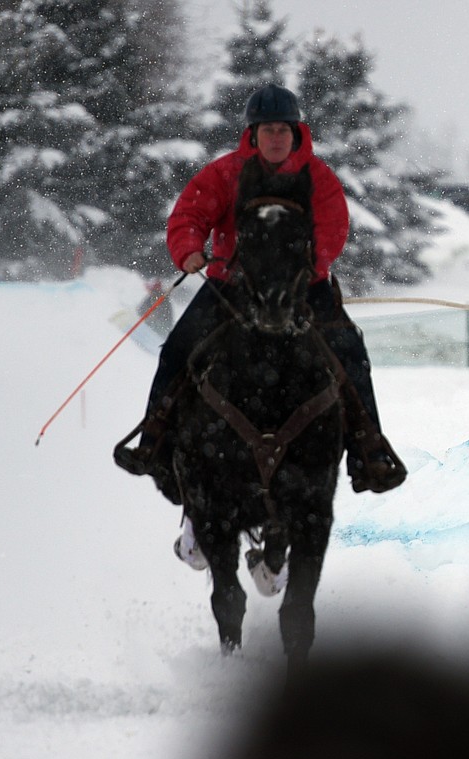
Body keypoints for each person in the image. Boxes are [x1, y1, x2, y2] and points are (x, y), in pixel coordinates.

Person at [114, 84, 405, 500]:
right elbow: (189, 214)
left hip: (303, 288)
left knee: (349, 352)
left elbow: (332, 229)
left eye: (282, 130)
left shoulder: (318, 178)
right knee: (178, 348)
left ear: (296, 133)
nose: (274, 138)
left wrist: (304, 266)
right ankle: (153, 440)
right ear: (251, 134)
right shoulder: (224, 174)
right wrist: (190, 250)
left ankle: (368, 451)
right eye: (266, 130)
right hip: (232, 286)